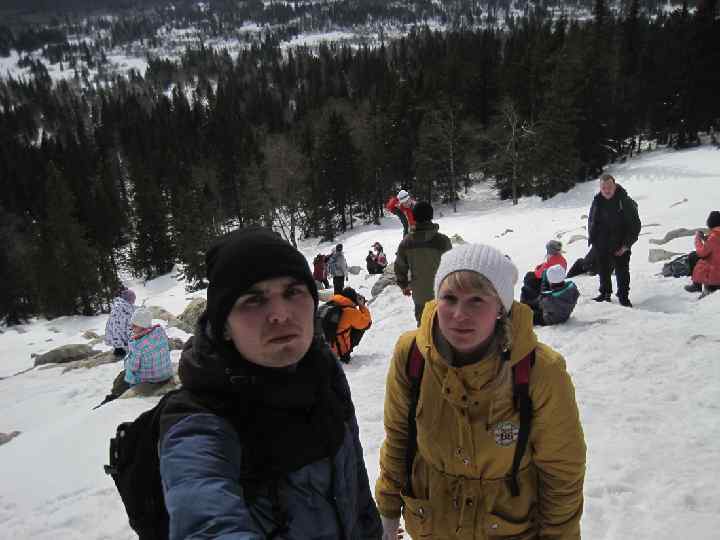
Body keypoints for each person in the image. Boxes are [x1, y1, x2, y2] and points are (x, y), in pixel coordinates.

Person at [157, 227, 382, 539]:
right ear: (224, 326)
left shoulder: (322, 368)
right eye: (253, 300)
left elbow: (354, 480)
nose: (280, 314)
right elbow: (207, 522)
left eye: (293, 292)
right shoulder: (198, 420)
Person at [376, 243, 586, 540]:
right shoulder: (412, 355)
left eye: (476, 300)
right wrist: (387, 511)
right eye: (449, 298)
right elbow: (398, 436)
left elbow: (561, 472)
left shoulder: (540, 370)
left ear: (501, 307)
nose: (459, 314)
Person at [395, 201, 452, 326]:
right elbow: (452, 267)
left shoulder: (407, 242)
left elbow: (399, 266)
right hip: (442, 292)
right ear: (431, 216)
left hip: (420, 293)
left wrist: (403, 285)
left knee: (423, 327)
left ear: (414, 217)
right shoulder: (443, 241)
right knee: (444, 326)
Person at [587, 173, 641, 307]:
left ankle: (623, 297)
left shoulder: (624, 201)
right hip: (601, 243)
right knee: (603, 269)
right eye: (603, 187)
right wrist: (593, 239)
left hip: (620, 244)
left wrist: (626, 245)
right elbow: (592, 220)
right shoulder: (597, 200)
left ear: (615, 186)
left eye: (609, 187)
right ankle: (605, 293)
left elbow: (635, 225)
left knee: (622, 271)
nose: (606, 190)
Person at [326, 287, 372, 363]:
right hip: (335, 350)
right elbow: (367, 323)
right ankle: (344, 354)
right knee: (360, 328)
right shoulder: (349, 311)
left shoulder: (330, 303)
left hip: (322, 347)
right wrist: (362, 306)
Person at [519, 239, 567, 306]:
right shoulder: (561, 259)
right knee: (531, 276)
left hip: (549, 283)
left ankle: (528, 299)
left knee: (529, 277)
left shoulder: (552, 260)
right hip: (557, 281)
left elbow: (538, 274)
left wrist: (537, 268)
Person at [684, 210, 720, 297]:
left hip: (716, 273)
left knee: (693, 256)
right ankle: (699, 285)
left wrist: (698, 239)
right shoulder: (714, 235)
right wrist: (706, 239)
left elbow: (701, 253)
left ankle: (697, 285)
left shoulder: (714, 236)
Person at [104, 288, 136, 357]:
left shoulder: (117, 306)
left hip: (112, 333)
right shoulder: (126, 309)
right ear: (129, 300)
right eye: (133, 300)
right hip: (119, 334)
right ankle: (120, 352)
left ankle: (118, 349)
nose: (134, 302)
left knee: (118, 341)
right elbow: (128, 324)